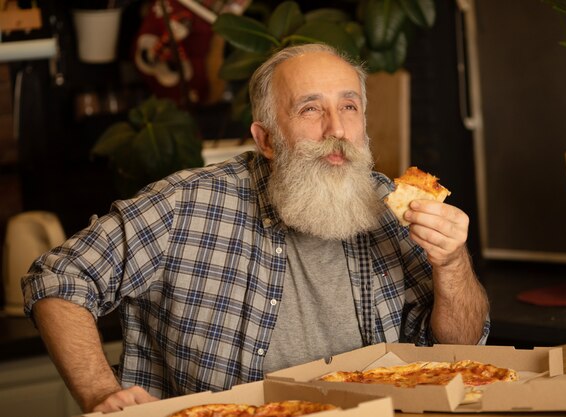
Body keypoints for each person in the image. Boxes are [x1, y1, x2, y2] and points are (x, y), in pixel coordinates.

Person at [22, 43, 489, 413]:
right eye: (310, 109)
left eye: (349, 107)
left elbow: (463, 349)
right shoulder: (187, 204)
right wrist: (103, 393)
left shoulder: (393, 209)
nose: (337, 129)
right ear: (265, 138)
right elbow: (59, 278)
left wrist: (451, 264)